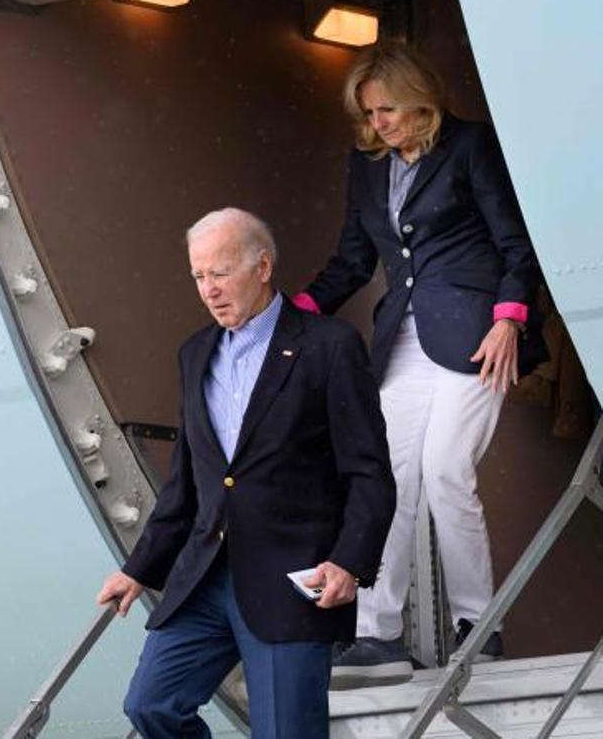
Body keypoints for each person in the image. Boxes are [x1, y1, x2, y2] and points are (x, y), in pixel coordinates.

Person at [292, 42, 547, 688]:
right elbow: (354, 259)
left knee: (445, 472)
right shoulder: (368, 163)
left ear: (419, 98)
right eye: (369, 113)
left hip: (476, 335)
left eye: (387, 110)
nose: (378, 123)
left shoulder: (468, 146)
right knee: (387, 482)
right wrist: (290, 313)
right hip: (401, 340)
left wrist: (509, 319)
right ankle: (378, 637)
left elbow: (516, 242)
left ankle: (478, 626)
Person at [99, 208, 394, 739]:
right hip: (206, 577)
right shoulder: (195, 354)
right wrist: (140, 567)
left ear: (263, 267)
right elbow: (188, 484)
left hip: (291, 581)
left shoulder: (328, 345)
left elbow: (368, 471)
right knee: (152, 705)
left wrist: (349, 562)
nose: (208, 289)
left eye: (220, 272)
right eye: (198, 276)